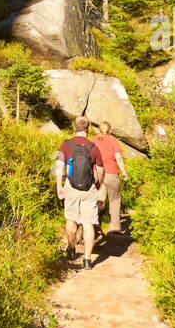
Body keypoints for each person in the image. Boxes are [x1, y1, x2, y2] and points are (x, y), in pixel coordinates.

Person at [55, 115, 105, 269]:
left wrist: (59, 186)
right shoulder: (93, 147)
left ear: (74, 128)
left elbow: (58, 166)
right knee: (88, 223)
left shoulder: (66, 145)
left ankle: (71, 249)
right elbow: (101, 171)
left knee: (71, 219)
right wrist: (97, 184)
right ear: (88, 129)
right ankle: (87, 260)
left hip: (71, 187)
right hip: (88, 189)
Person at [92, 120, 129, 235]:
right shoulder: (113, 140)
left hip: (97, 174)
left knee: (98, 200)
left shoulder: (92, 140)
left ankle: (94, 226)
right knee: (114, 200)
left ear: (99, 130)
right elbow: (118, 157)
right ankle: (115, 228)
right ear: (110, 130)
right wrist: (123, 171)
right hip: (111, 173)